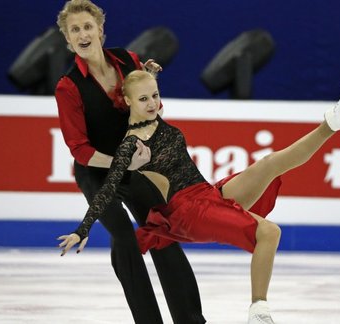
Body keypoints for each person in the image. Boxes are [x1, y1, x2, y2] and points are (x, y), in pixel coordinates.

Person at [58, 70, 340, 323]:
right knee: (269, 232)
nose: (153, 103)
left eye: (155, 95)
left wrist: (147, 75)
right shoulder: (131, 145)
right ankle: (258, 311)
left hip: (207, 193)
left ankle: (336, 121)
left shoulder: (154, 119)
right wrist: (82, 229)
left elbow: (142, 88)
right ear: (127, 101)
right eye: (143, 99)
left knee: (270, 163)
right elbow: (109, 186)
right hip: (187, 213)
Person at [54, 1, 206, 323]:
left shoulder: (128, 59)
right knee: (124, 236)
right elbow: (79, 149)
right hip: (96, 171)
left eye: (87, 26)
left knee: (161, 231)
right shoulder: (68, 87)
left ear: (100, 30)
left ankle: (191, 319)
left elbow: (148, 105)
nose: (83, 34)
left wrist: (150, 84)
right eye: (75, 30)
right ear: (68, 40)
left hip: (135, 166)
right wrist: (123, 162)